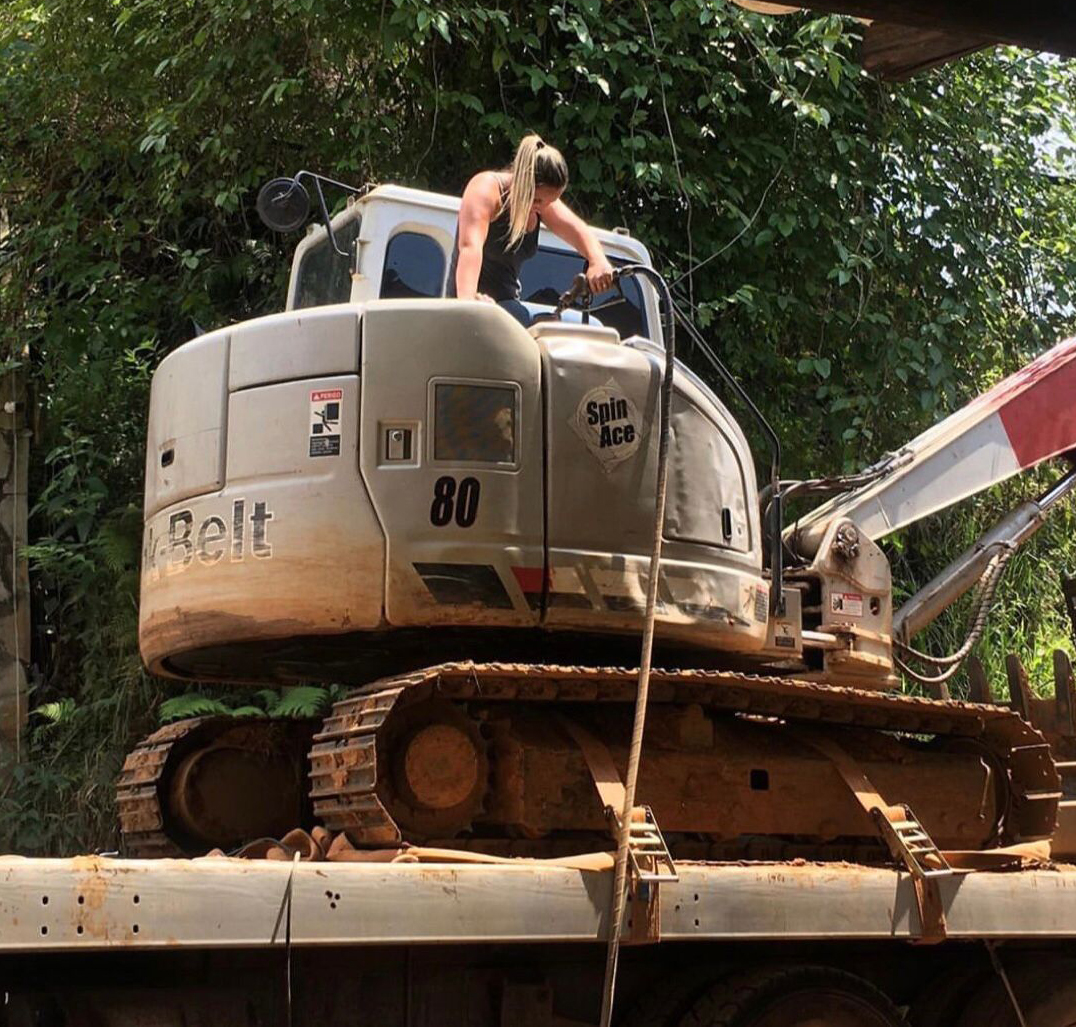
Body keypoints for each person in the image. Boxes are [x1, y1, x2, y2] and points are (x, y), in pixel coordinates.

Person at [446, 134, 615, 327]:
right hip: (474, 304)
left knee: (591, 328)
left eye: (551, 202)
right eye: (537, 200)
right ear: (523, 183)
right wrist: (468, 303)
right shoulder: (486, 190)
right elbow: (470, 248)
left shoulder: (541, 203)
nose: (543, 207)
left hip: (508, 306)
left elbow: (578, 231)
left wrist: (598, 260)